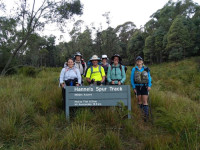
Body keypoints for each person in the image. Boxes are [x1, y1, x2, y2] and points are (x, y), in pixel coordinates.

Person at [130, 56, 152, 121]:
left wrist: (149, 85)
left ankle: (146, 117)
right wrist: (134, 87)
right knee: (139, 101)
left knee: (145, 101)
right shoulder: (134, 69)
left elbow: (149, 78)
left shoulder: (146, 68)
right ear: (136, 62)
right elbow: (132, 79)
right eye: (137, 60)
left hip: (145, 86)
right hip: (137, 87)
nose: (139, 61)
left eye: (140, 60)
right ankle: (140, 115)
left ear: (142, 61)